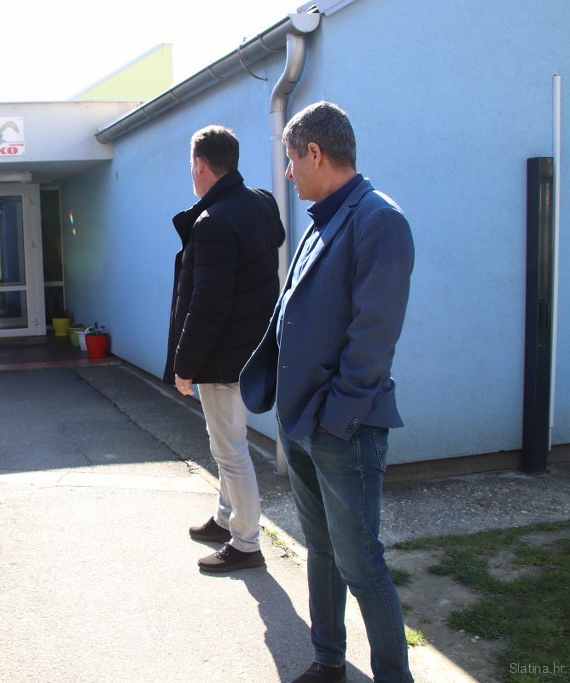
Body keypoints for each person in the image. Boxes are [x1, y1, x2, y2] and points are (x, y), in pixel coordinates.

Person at [240, 102, 415, 683]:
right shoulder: (324, 218)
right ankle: (328, 661)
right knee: (320, 551)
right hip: (304, 422)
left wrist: (336, 418)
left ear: (315, 153)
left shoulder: (379, 219)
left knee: (361, 565)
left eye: (291, 160)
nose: (288, 173)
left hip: (343, 429)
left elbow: (374, 336)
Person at [164, 125, 285, 573]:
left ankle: (246, 543)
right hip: (253, 350)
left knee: (230, 450)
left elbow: (207, 305)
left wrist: (185, 365)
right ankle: (224, 518)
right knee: (225, 443)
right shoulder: (261, 202)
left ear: (200, 165)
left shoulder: (213, 222)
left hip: (223, 358)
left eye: (190, 166)